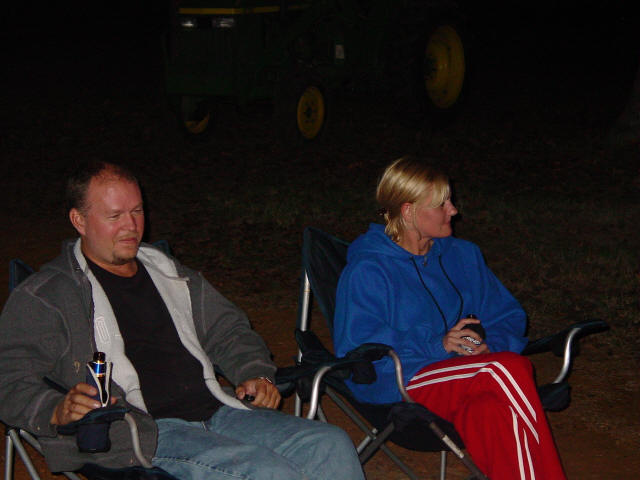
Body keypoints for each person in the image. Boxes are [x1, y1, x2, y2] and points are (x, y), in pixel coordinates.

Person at [0, 161, 364, 480]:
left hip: (216, 408)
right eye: (114, 216)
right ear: (78, 220)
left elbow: (228, 330)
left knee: (330, 444)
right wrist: (55, 409)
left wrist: (255, 372)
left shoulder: (167, 272)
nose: (131, 226)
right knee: (265, 472)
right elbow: (9, 378)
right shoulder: (47, 295)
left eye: (137, 211)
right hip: (142, 432)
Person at [333, 156, 566, 480]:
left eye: (450, 201)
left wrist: (490, 345)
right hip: (402, 380)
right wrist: (437, 344)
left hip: (470, 374)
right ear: (408, 211)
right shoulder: (368, 270)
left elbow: (508, 314)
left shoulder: (463, 255)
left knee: (490, 411)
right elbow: (356, 347)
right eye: (441, 204)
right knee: (504, 369)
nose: (453, 210)